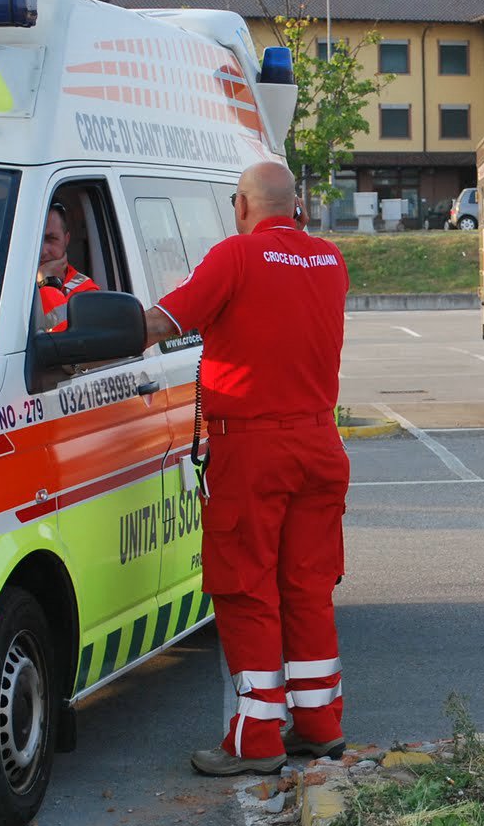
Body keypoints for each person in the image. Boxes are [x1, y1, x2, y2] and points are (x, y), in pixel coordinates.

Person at [141, 161, 351, 777]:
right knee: (308, 588)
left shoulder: (234, 257)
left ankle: (256, 739)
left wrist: (70, 334)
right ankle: (320, 724)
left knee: (247, 589)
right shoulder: (330, 261)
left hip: (252, 448)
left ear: (241, 206)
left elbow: (163, 323)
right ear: (299, 210)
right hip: (319, 442)